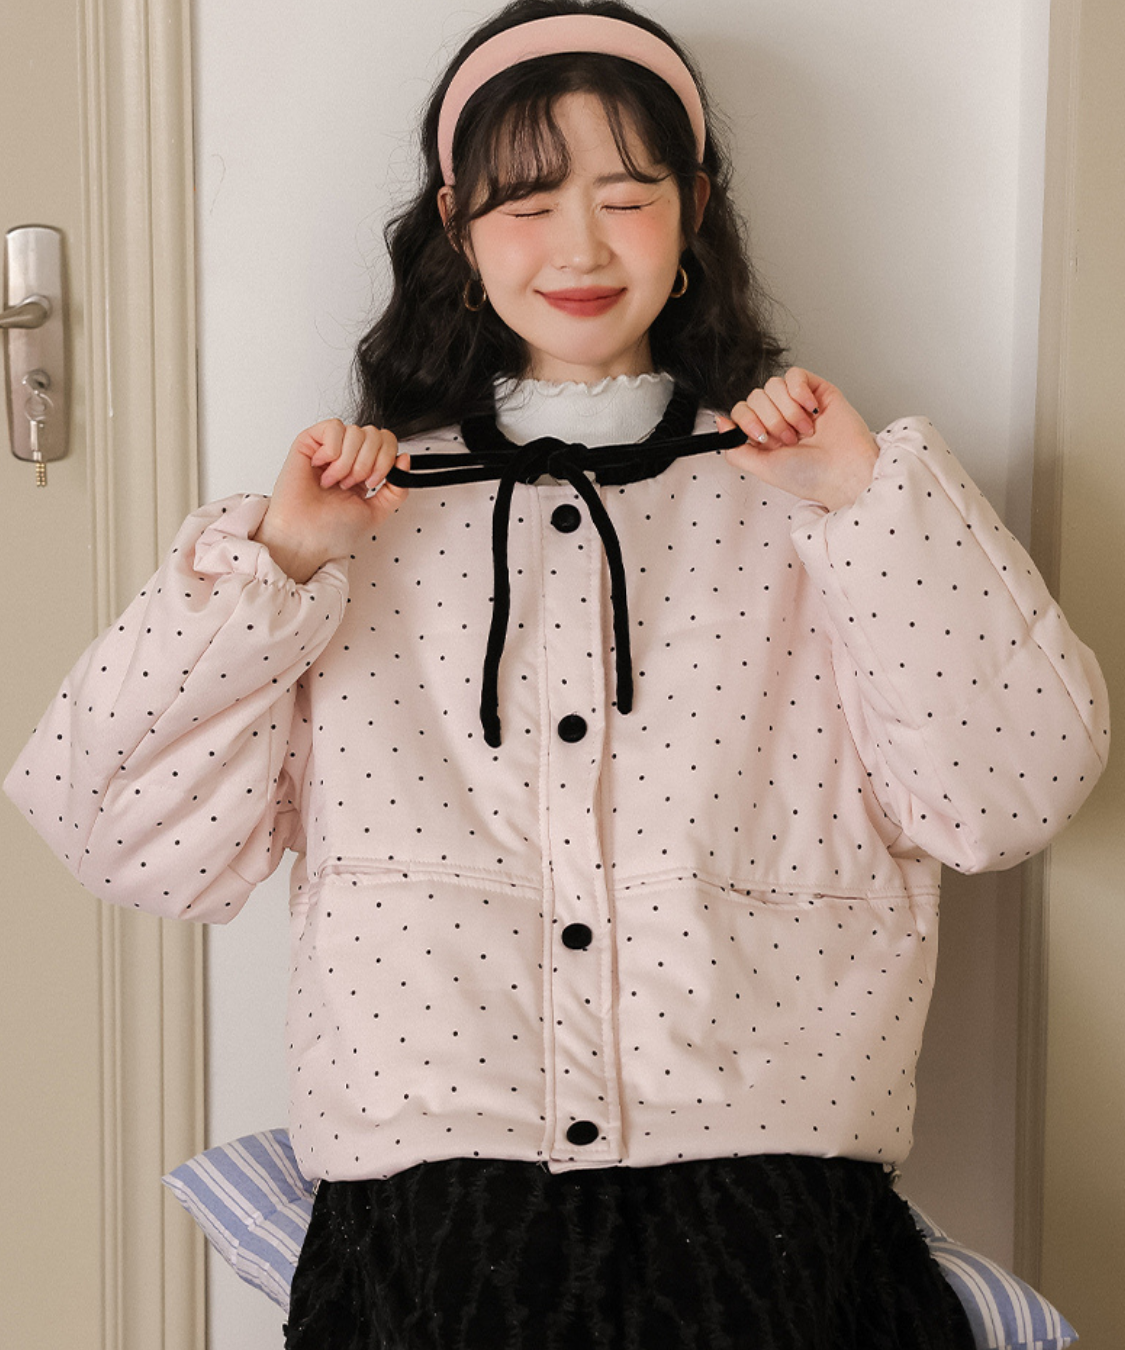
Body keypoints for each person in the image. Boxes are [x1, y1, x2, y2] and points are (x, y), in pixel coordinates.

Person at [5, 1, 1109, 1346]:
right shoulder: (349, 530)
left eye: (626, 197)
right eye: (526, 203)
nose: (579, 246)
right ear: (458, 224)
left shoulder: (819, 504)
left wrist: (870, 505)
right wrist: (279, 566)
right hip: (432, 1219)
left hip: (770, 1210)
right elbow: (110, 826)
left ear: (695, 209)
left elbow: (1010, 795)